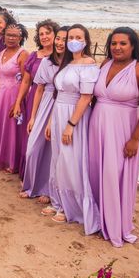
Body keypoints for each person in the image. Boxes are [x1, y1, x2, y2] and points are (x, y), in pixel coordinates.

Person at [88, 27, 139, 247]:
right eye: (114, 43)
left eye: (123, 43)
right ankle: (98, 218)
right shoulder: (105, 64)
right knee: (96, 172)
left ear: (133, 46)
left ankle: (115, 224)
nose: (117, 47)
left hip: (122, 130)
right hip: (97, 127)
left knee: (113, 175)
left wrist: (135, 138)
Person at [42, 24, 100, 234]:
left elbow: (86, 97)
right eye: (71, 37)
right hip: (58, 112)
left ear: (86, 40)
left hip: (74, 115)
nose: (73, 40)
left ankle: (71, 208)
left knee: (70, 159)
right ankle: (58, 201)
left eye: (78, 37)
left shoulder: (88, 64)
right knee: (57, 158)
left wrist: (71, 125)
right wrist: (50, 122)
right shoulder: (68, 63)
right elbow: (57, 95)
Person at [20, 26, 68, 203]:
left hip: (61, 104)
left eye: (63, 39)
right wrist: (33, 116)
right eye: (59, 39)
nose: (59, 42)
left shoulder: (71, 63)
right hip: (45, 103)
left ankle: (48, 190)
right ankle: (31, 186)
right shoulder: (47, 61)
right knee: (33, 147)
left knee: (53, 151)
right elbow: (39, 88)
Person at [11, 19, 59, 177]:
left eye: (48, 33)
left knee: (49, 139)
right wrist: (18, 102)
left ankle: (44, 177)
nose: (44, 36)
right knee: (31, 136)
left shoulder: (62, 56)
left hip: (55, 101)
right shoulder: (34, 56)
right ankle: (28, 174)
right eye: (41, 34)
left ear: (56, 34)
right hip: (34, 98)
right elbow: (26, 81)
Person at [0, 23, 29, 173]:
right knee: (0, 126)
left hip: (14, 95)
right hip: (0, 95)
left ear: (20, 38)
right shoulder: (2, 52)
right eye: (8, 35)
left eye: (14, 35)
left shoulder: (23, 54)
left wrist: (18, 102)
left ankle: (14, 163)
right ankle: (2, 159)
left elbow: (25, 80)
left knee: (13, 129)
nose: (10, 38)